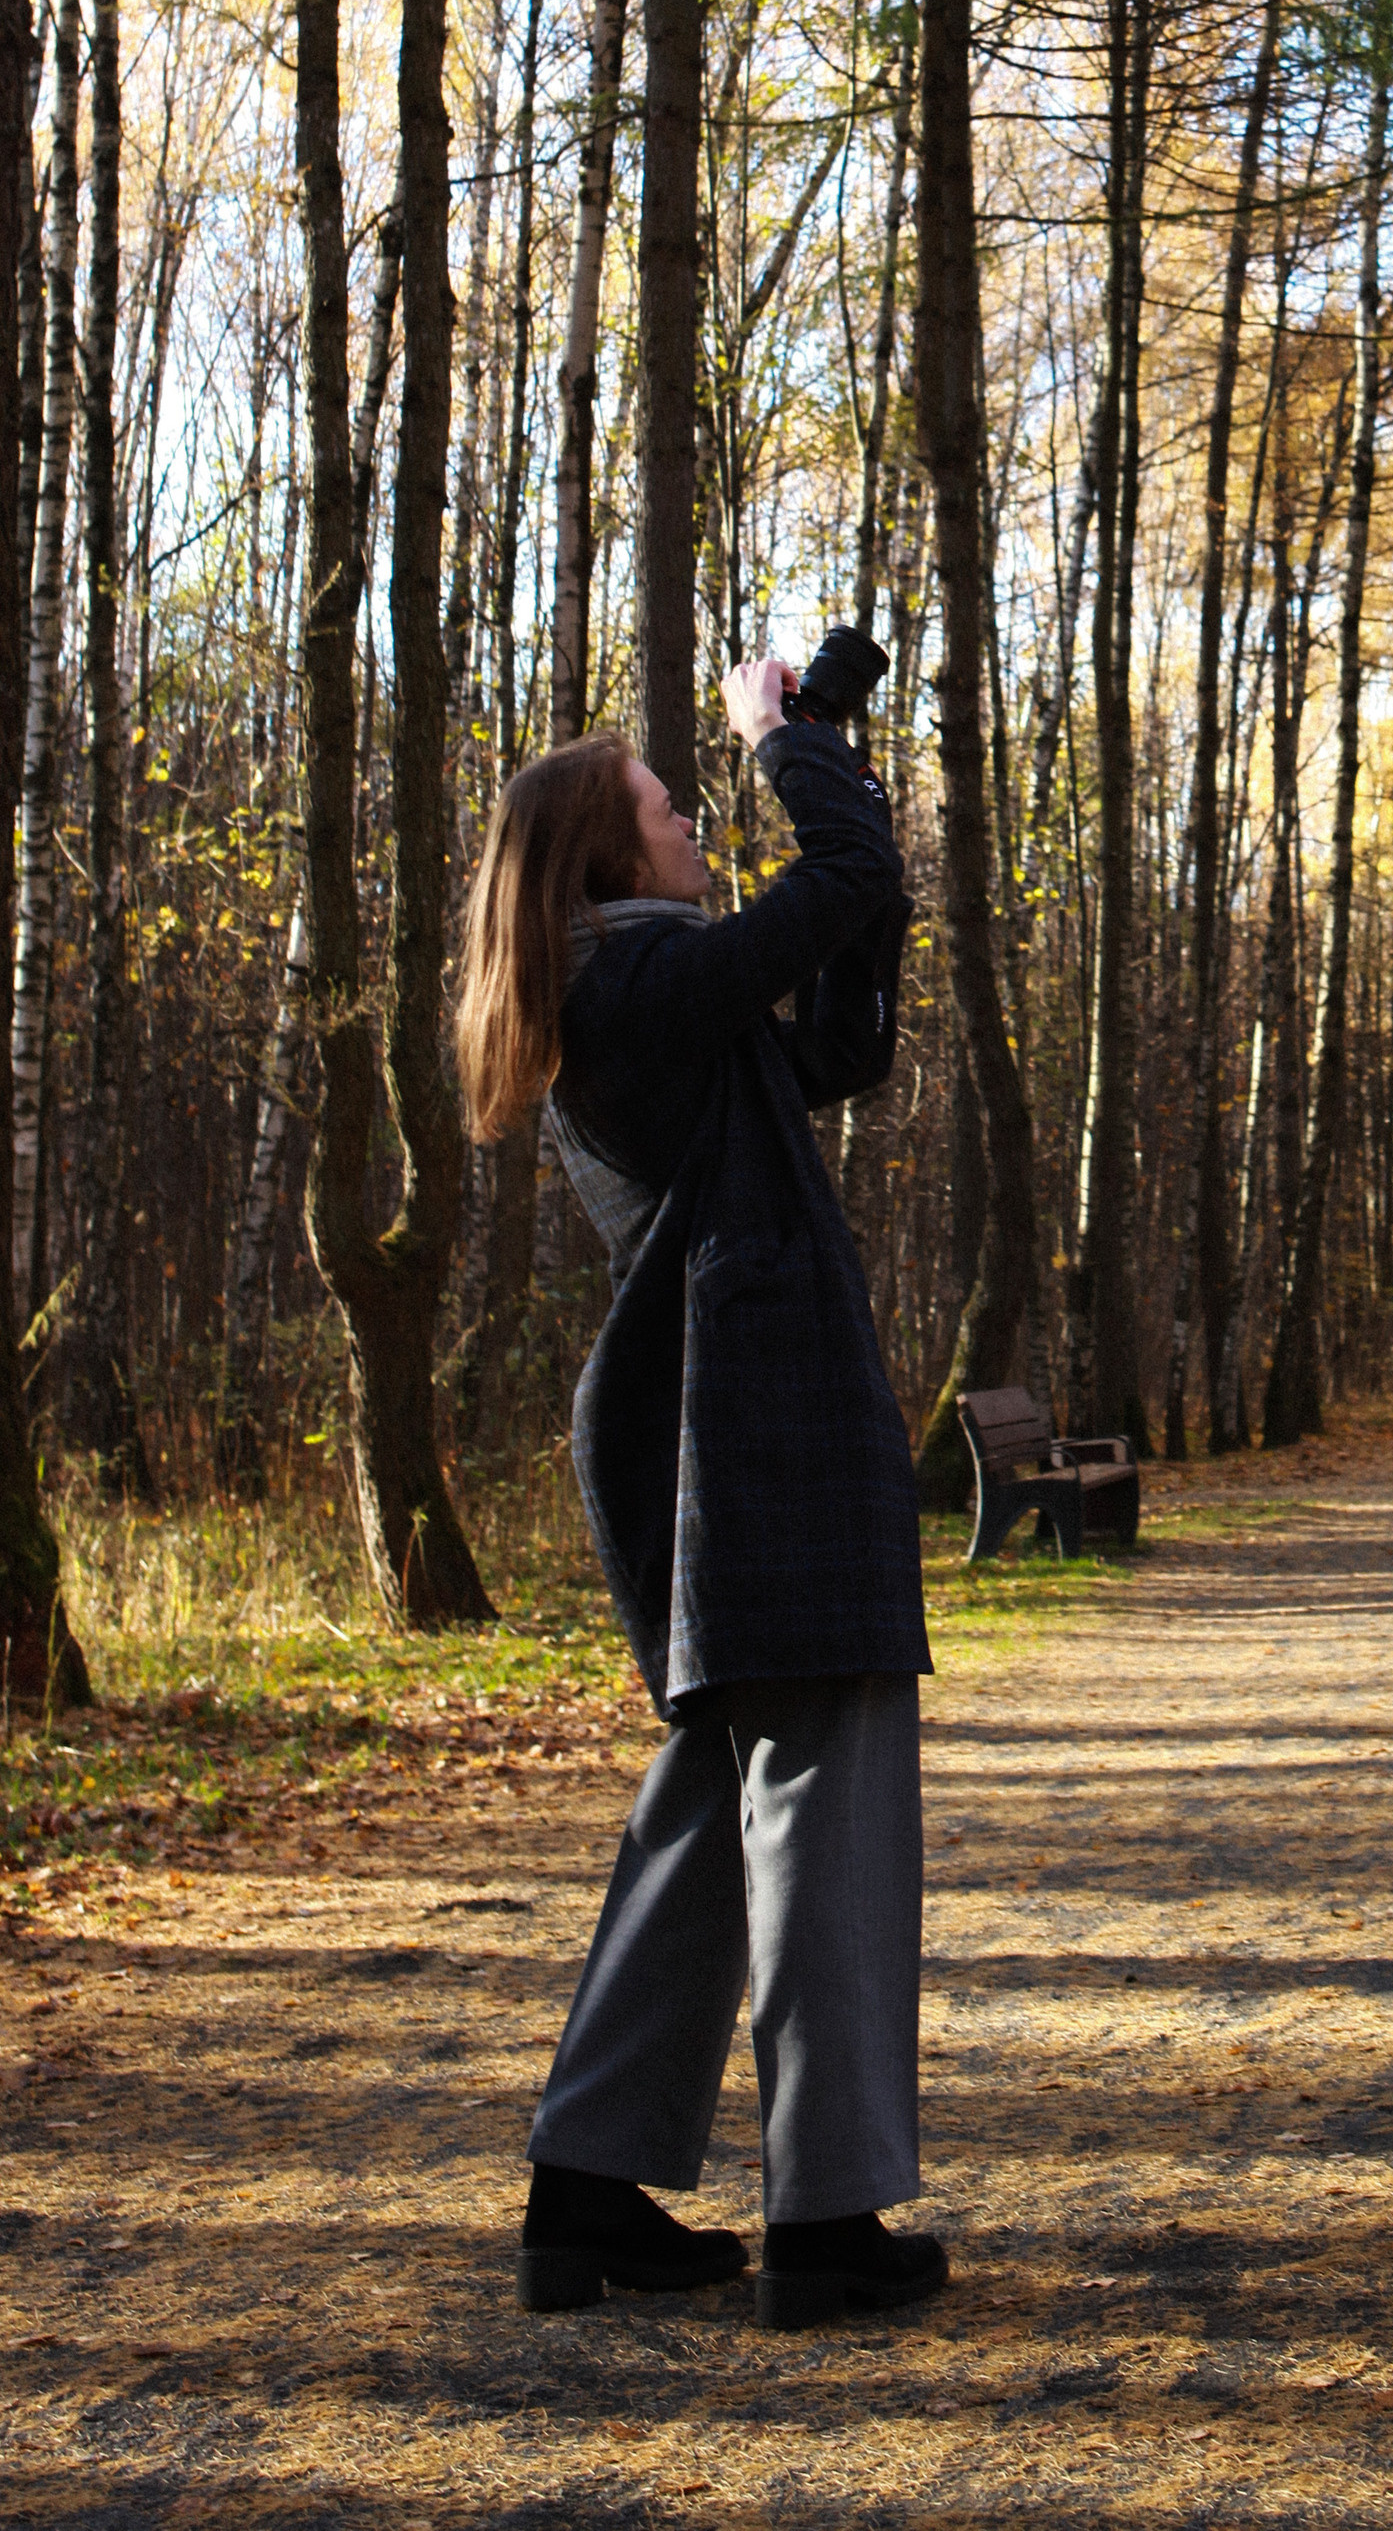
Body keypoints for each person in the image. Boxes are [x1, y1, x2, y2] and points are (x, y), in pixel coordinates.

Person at [451, 633, 944, 2330]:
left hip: (729, 1439)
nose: (694, 829)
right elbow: (839, 874)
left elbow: (839, 1048)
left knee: (707, 1823)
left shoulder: (661, 997)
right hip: (755, 1439)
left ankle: (584, 2193)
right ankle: (825, 2219)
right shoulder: (632, 992)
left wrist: (849, 845)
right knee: (823, 1809)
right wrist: (785, 738)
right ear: (609, 853)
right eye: (671, 811)